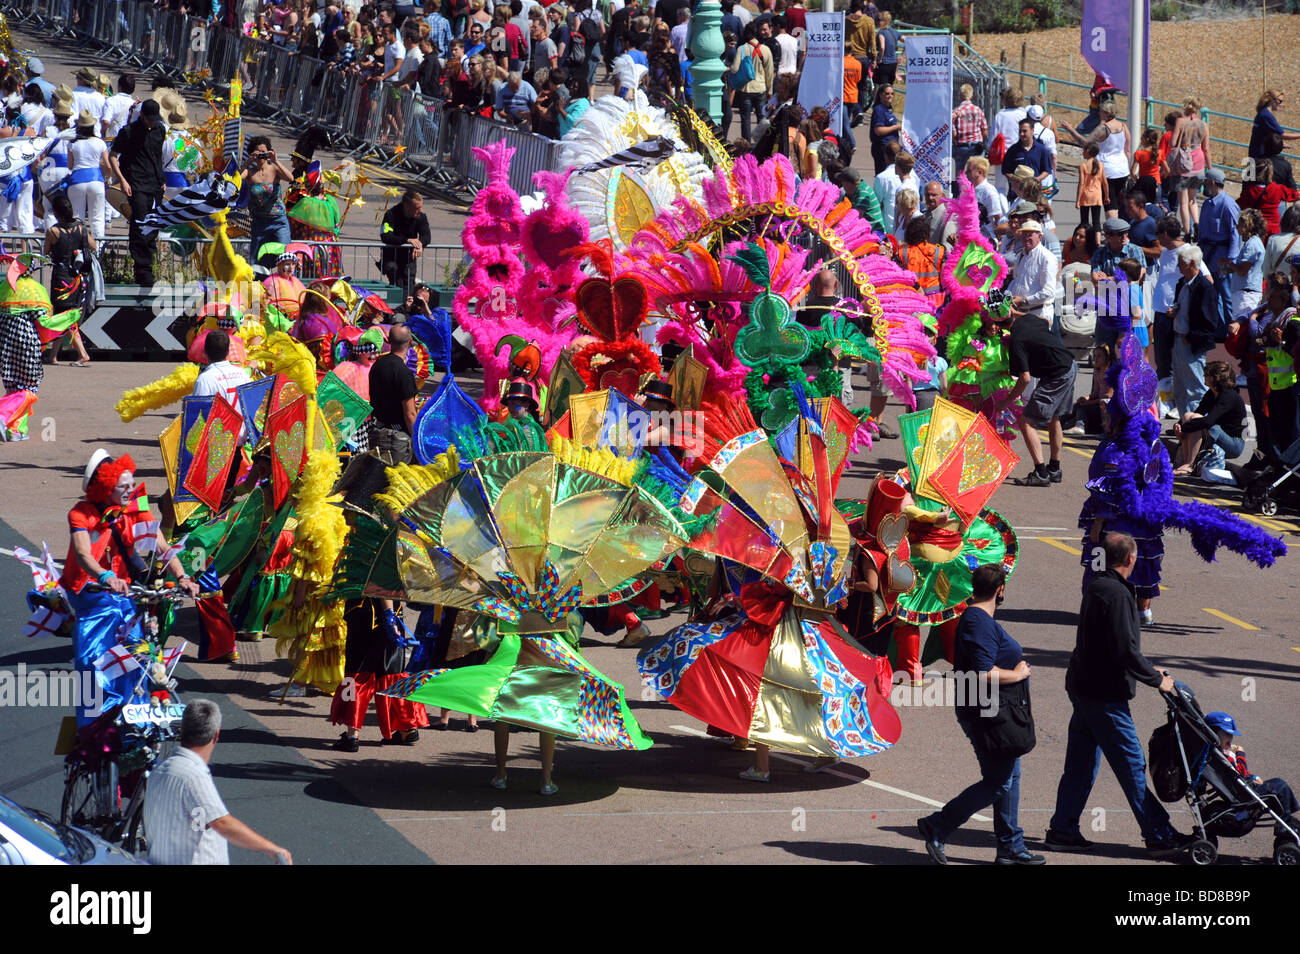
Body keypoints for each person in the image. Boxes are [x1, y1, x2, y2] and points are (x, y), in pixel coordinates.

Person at [1045, 533, 1194, 858]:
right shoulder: (1117, 593)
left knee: (1081, 765)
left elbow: (1107, 642)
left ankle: (1063, 830)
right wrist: (1158, 680)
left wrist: (1147, 668)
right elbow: (1125, 648)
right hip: (1104, 694)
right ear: (1130, 559)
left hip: (1084, 687)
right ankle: (1158, 833)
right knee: (1130, 763)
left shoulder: (1098, 587)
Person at [61, 450, 200, 725]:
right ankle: (94, 725)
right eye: (123, 486)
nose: (130, 490)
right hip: (91, 596)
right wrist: (104, 577)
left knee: (139, 656)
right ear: (105, 487)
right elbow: (83, 554)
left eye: (132, 483)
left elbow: (162, 547)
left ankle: (135, 722)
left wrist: (183, 575)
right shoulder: (81, 514)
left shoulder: (136, 507)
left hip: (123, 594)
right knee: (93, 664)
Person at [916, 565, 1043, 866]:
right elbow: (984, 672)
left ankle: (1010, 846)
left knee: (1010, 777)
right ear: (1001, 590)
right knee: (999, 782)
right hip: (988, 714)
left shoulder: (979, 619)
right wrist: (1017, 673)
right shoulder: (978, 622)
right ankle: (939, 824)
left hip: (998, 712)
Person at [144, 699, 292, 865]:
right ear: (216, 735)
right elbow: (221, 822)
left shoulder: (160, 770)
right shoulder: (193, 776)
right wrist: (272, 849)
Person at [993, 293, 1077, 487]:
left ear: (998, 325)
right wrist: (1016, 312)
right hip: (1069, 365)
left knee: (1026, 421)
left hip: (1057, 375)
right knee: (1054, 417)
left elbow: (1025, 378)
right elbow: (1045, 321)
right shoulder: (1029, 319)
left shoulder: (1016, 341)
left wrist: (1006, 402)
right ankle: (1054, 469)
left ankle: (1040, 472)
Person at [1206, 710, 1300, 839]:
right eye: (1227, 735)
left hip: (1242, 786)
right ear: (1214, 734)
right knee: (1280, 786)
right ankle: (1284, 820)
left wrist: (1253, 777)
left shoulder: (1220, 753)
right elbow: (1241, 773)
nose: (1231, 739)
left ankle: (1286, 818)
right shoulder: (1222, 756)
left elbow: (1238, 774)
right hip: (1242, 793)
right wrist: (1240, 755)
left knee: (1277, 783)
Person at [107, 99, 165, 288]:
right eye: (150, 119)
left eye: (155, 120)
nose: (152, 123)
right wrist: (122, 180)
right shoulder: (128, 132)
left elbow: (157, 157)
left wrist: (161, 180)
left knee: (154, 223)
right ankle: (142, 269)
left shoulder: (160, 130)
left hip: (154, 184)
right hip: (136, 183)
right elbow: (113, 156)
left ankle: (150, 264)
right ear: (142, 116)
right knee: (139, 223)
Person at [43, 195, 94, 368]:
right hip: (77, 276)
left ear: (56, 212)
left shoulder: (53, 231)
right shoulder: (81, 227)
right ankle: (53, 355)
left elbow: (46, 251)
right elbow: (92, 246)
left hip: (61, 277)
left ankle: (83, 354)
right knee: (63, 314)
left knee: (64, 315)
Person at [1170, 243, 1220, 419]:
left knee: (1196, 388)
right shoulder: (1181, 284)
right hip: (1178, 339)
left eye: (1181, 263)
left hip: (1191, 343)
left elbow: (1210, 321)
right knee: (1180, 388)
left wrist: (1191, 337)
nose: (1178, 266)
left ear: (1191, 263)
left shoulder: (1205, 288)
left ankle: (1197, 426)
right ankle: (1185, 424)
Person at [1061, 95, 1129, 220]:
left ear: (1107, 113)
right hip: (1123, 169)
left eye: (1101, 111)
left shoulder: (1103, 128)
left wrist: (1070, 129)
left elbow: (1086, 143)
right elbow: (1127, 149)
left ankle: (1114, 230)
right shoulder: (1123, 126)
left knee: (1110, 203)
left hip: (1108, 169)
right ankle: (1119, 227)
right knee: (1118, 202)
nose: (1098, 113)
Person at [1173, 360, 1247, 473]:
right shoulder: (1212, 393)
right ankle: (1184, 461)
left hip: (1234, 444)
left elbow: (1209, 421)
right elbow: (1199, 411)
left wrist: (1185, 427)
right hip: (1219, 435)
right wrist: (1179, 425)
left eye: (1206, 374)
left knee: (1200, 422)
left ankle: (1189, 464)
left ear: (1215, 378)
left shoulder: (1229, 396)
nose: (1204, 376)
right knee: (1189, 415)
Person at [1090, 219, 1147, 347]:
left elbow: (1137, 279)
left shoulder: (1135, 251)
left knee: (1128, 355)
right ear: (1108, 236)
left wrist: (1108, 279)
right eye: (1121, 233)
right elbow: (1096, 282)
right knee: (1104, 350)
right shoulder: (1100, 253)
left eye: (1126, 233)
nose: (1125, 237)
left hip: (1128, 311)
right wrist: (1123, 280)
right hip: (1106, 310)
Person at [239, 136, 295, 266]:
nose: (261, 157)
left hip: (278, 221)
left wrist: (276, 160)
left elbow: (290, 177)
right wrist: (248, 161)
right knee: (257, 262)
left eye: (264, 152)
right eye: (258, 153)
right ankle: (260, 284)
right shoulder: (249, 172)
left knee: (286, 257)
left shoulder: (274, 169)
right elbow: (235, 179)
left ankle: (286, 284)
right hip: (259, 223)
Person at [369, 323, 418, 463]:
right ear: (409, 342)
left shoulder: (377, 365)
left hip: (377, 434)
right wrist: (418, 442)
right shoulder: (404, 372)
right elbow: (410, 414)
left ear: (389, 341)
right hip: (397, 440)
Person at [1200, 168, 1241, 324]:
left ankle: (1232, 328)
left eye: (1205, 182)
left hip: (1222, 258)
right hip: (1208, 257)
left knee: (1227, 294)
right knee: (1212, 293)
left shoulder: (1228, 205)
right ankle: (1218, 327)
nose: (1203, 185)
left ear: (1211, 182)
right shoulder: (1206, 204)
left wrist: (1230, 260)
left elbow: (1235, 234)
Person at [65, 109, 111, 242]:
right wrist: (107, 178)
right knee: (97, 217)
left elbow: (70, 165)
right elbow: (107, 165)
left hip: (77, 180)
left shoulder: (73, 143)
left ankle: (78, 247)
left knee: (77, 216)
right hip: (96, 180)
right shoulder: (100, 142)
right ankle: (98, 248)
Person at [1167, 98, 1211, 235]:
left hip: (1183, 165)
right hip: (1198, 164)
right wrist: (1210, 168)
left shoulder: (1180, 122)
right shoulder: (1203, 125)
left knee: (1183, 202)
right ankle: (1197, 224)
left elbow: (1173, 143)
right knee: (1193, 200)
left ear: (1185, 106)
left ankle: (1187, 233)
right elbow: (1206, 148)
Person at [380, 188, 431, 297]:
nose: (420, 210)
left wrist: (420, 244)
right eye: (417, 208)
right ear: (406, 206)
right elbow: (385, 236)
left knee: (409, 285)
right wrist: (406, 240)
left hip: (408, 258)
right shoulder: (391, 215)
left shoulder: (420, 217)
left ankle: (406, 310)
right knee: (397, 284)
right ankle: (396, 310)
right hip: (392, 257)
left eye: (421, 207)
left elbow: (426, 236)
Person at [1007, 219, 1058, 324]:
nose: (1026, 238)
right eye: (1024, 235)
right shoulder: (1021, 255)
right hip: (1019, 312)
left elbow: (1048, 292)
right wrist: (1007, 296)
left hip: (1038, 312)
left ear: (1040, 237)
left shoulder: (1047, 258)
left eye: (1030, 234)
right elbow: (1015, 281)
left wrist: (1024, 300)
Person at [730, 25, 773, 143]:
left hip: (746, 89)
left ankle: (746, 145)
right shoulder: (765, 49)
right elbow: (769, 72)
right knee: (761, 118)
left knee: (745, 119)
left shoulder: (742, 49)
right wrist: (769, 91)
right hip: (761, 88)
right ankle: (761, 143)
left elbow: (734, 69)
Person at [1249, 89, 1300, 191]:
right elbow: (1282, 135)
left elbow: (1267, 135)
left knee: (1252, 185)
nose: (1281, 104)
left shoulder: (1262, 114)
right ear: (1272, 100)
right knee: (1262, 186)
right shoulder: (1266, 116)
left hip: (1255, 154)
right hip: (1260, 157)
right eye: (1280, 101)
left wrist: (1279, 144)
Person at [1228, 208, 1267, 321]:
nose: (1237, 227)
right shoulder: (1253, 242)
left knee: (1241, 325)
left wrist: (1229, 264)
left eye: (1239, 224)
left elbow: (1243, 271)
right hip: (1246, 292)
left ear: (1247, 226)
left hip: (1246, 294)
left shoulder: (1252, 244)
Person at [987, 87, 1026, 195]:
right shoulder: (1024, 114)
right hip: (1021, 152)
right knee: (1021, 186)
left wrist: (989, 149)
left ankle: (1003, 210)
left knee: (1000, 187)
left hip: (1003, 155)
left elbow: (993, 138)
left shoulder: (1000, 115)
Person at [1001, 119, 1051, 201]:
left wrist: (1035, 180)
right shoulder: (1013, 150)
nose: (1021, 134)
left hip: (1034, 193)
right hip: (1016, 194)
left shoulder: (1041, 149)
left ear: (1032, 131)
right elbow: (1005, 171)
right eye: (1020, 131)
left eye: (1024, 131)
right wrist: (1016, 179)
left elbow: (1046, 170)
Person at [950, 84, 987, 195]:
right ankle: (976, 196)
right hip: (976, 147)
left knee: (960, 176)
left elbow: (954, 133)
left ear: (960, 96)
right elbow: (984, 130)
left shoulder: (956, 111)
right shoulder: (978, 110)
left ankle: (960, 198)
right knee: (977, 174)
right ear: (971, 96)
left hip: (961, 146)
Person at [872, 148, 916, 234]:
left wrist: (897, 232)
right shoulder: (914, 180)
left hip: (900, 231)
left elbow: (901, 214)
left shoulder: (902, 188)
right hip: (908, 229)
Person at [966, 155, 1006, 243]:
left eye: (969, 171)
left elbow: (998, 217)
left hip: (986, 240)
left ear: (980, 172)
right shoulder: (970, 190)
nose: (966, 173)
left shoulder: (989, 191)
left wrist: (999, 240)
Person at [868, 83, 899, 176]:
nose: (890, 96)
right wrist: (896, 127)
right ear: (880, 95)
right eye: (887, 93)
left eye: (892, 94)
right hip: (882, 148)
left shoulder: (888, 108)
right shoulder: (879, 110)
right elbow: (878, 130)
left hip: (891, 148)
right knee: (883, 175)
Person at [874, 10, 899, 86]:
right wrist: (902, 54)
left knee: (883, 88)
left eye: (879, 20)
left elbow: (882, 47)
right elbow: (907, 41)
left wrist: (880, 59)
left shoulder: (881, 32)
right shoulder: (895, 31)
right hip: (893, 64)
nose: (878, 22)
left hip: (884, 64)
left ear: (885, 21)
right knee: (889, 87)